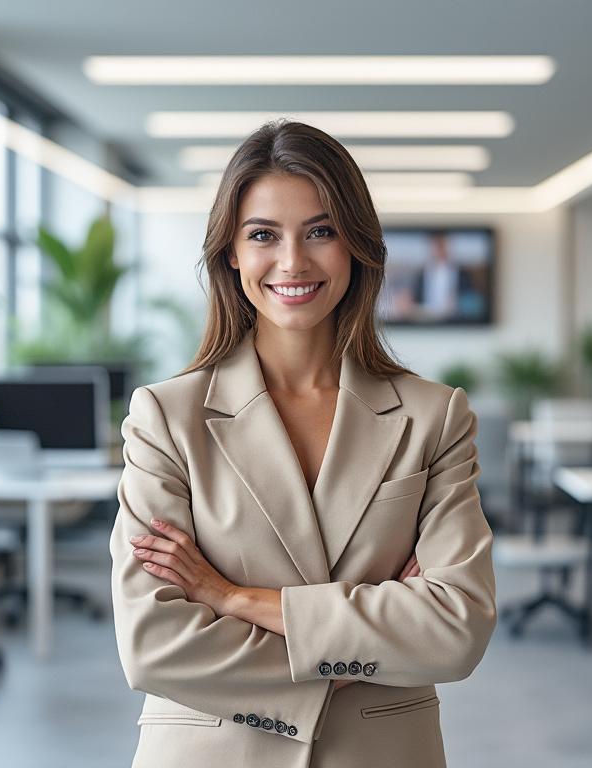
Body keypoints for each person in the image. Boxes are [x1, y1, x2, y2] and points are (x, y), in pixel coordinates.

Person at [109, 120, 496, 768]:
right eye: (263, 234)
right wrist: (366, 646)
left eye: (321, 231)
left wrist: (235, 599)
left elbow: (456, 631)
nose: (293, 261)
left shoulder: (434, 416)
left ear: (356, 246)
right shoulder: (165, 418)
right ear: (231, 252)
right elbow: (153, 643)